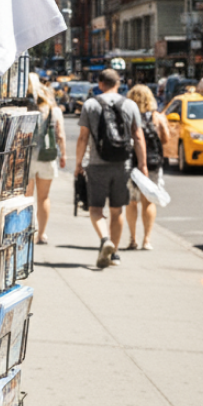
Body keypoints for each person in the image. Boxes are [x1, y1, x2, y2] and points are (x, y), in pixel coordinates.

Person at [76, 68, 147, 268]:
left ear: (100, 84)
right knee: (118, 210)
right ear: (119, 83)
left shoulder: (90, 104)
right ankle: (114, 253)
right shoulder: (130, 104)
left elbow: (83, 137)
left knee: (96, 209)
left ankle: (104, 239)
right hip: (122, 165)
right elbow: (138, 136)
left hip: (97, 165)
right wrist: (142, 165)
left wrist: (78, 164)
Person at [124, 84, 170, 251]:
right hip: (152, 164)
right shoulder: (157, 117)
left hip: (131, 164)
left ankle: (132, 238)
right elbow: (166, 139)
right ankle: (147, 240)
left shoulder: (127, 117)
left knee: (131, 202)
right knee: (149, 201)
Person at [25, 73, 66, 244]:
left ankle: (26, 232)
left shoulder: (27, 109)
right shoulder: (54, 111)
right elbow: (61, 135)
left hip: (27, 157)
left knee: (27, 197)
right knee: (44, 197)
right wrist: (63, 155)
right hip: (47, 158)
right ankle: (41, 234)